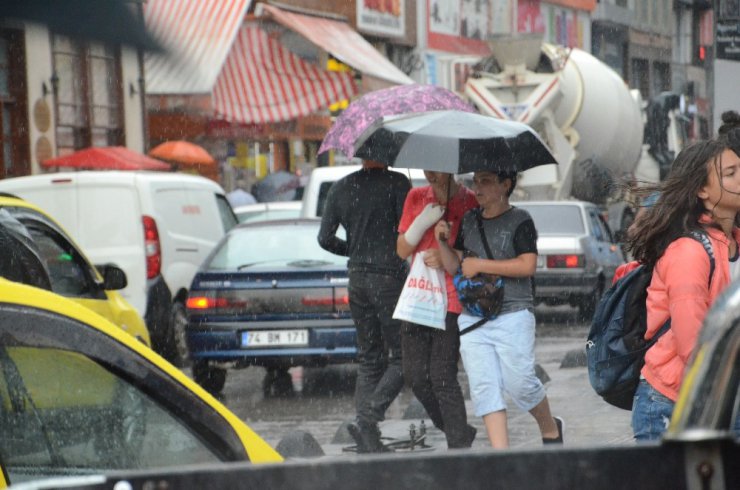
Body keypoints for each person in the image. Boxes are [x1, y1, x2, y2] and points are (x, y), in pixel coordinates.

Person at [434, 170, 563, 449]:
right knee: (484, 388)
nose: (477, 187)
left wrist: (481, 265)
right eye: (475, 181)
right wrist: (441, 241)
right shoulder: (469, 220)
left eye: (486, 181)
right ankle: (501, 458)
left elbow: (527, 265)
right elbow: (456, 265)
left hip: (513, 312)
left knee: (520, 384)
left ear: (506, 185)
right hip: (473, 316)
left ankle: (550, 427)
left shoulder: (520, 220)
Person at [626, 133, 740, 441]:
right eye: (730, 173)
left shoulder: (733, 243)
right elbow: (693, 347)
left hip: (722, 400)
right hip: (671, 406)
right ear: (702, 190)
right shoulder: (689, 251)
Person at [317, 160, 411, 453]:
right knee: (405, 356)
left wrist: (355, 248)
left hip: (357, 278)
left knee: (370, 357)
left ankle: (366, 432)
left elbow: (324, 238)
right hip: (389, 279)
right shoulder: (397, 183)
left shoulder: (341, 187)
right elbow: (406, 233)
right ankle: (369, 417)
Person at [396, 171, 479, 449]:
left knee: (443, 376)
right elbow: (400, 250)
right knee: (416, 378)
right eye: (426, 167)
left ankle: (458, 448)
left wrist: (446, 254)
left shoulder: (470, 202)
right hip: (418, 297)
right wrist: (421, 224)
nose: (430, 173)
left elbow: (475, 256)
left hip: (451, 299)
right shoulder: (416, 197)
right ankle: (459, 431)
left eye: (437, 167)